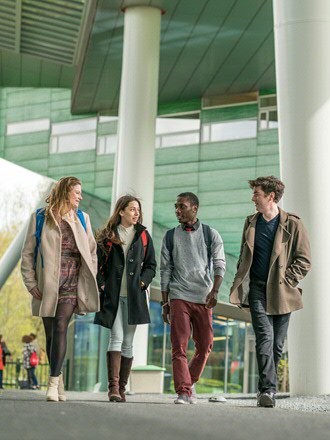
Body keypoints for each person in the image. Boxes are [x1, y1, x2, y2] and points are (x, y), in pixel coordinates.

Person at [230, 176, 311, 408]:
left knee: (276, 344)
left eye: (257, 194)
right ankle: (268, 391)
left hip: (282, 291)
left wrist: (287, 279)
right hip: (256, 288)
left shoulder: (293, 224)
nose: (253, 198)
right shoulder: (251, 222)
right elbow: (245, 254)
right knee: (264, 337)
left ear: (271, 196)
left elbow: (304, 260)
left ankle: (266, 389)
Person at [21, 176, 99, 402]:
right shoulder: (40, 218)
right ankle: (59, 378)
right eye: (77, 193)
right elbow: (27, 254)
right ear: (65, 192)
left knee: (61, 326)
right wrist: (31, 284)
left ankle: (52, 384)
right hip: (48, 283)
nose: (80, 197)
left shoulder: (82, 218)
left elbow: (92, 251)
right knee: (50, 333)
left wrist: (89, 276)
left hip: (73, 281)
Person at [160, 192, 226, 404]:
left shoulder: (210, 234)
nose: (177, 210)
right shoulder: (170, 236)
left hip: (203, 296)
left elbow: (219, 263)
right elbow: (165, 270)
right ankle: (183, 392)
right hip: (179, 295)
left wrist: (215, 291)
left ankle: (189, 382)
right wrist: (165, 301)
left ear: (194, 208)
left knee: (205, 344)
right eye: (176, 206)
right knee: (179, 345)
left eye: (182, 206)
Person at [94, 195, 156, 402]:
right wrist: (102, 284)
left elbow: (151, 265)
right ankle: (112, 388)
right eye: (132, 209)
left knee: (128, 342)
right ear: (121, 211)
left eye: (138, 209)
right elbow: (97, 265)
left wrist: (142, 282)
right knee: (116, 337)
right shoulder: (107, 236)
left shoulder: (143, 236)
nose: (136, 213)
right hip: (112, 296)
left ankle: (121, 388)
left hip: (134, 297)